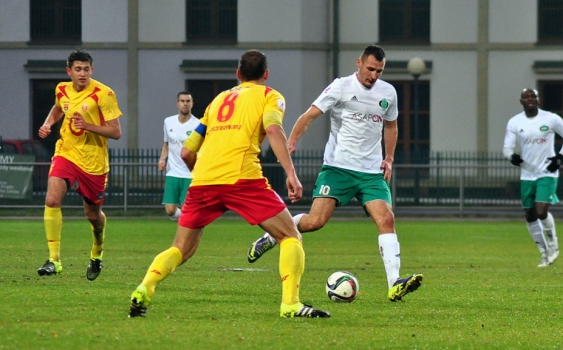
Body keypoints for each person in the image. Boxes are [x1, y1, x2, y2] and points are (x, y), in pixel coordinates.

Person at [128, 49, 330, 318]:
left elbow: (187, 152)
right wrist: (291, 174)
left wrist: (203, 176)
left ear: (238, 74)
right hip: (242, 177)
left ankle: (145, 287)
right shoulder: (270, 96)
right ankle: (290, 304)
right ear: (266, 75)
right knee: (289, 235)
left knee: (180, 248)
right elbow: (273, 129)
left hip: (202, 180)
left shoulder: (218, 100)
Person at [247, 45, 423, 302]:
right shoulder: (341, 86)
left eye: (379, 71)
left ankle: (394, 283)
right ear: (359, 63)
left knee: (386, 219)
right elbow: (309, 116)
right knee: (315, 222)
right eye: (371, 69)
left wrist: (389, 158)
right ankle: (272, 235)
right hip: (337, 168)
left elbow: (392, 126)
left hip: (371, 172)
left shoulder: (388, 92)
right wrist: (292, 141)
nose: (374, 75)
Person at [37, 49, 122, 280]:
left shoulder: (104, 94)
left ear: (91, 70)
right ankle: (54, 260)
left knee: (93, 216)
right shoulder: (61, 89)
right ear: (69, 71)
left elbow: (116, 132)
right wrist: (48, 124)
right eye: (78, 69)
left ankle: (97, 252)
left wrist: (88, 125)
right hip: (66, 153)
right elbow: (58, 107)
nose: (82, 73)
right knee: (52, 199)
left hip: (93, 162)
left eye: (86, 69)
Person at [503, 88, 563, 267]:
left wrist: (559, 158)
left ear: (538, 99)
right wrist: (512, 157)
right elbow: (507, 147)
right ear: (521, 101)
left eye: (533, 96)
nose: (530, 99)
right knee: (529, 215)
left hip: (547, 172)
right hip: (527, 174)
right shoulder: (514, 122)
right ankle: (544, 253)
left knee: (541, 211)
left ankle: (553, 244)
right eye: (526, 97)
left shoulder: (550, 118)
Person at [158, 92, 200, 221]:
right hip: (172, 172)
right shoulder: (168, 122)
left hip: (189, 173)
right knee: (170, 210)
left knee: (186, 207)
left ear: (192, 104)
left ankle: (188, 229)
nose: (185, 104)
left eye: (188, 101)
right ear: (177, 104)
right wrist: (162, 159)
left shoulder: (197, 124)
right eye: (182, 101)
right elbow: (166, 144)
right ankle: (192, 221)